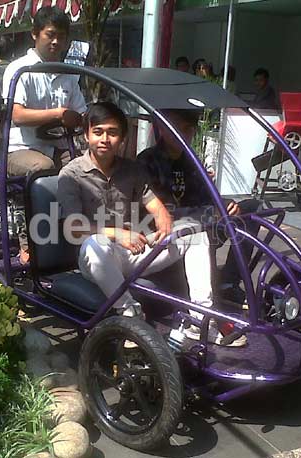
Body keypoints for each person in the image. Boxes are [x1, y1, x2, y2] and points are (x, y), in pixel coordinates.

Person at [58, 102, 246, 346]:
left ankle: (201, 320)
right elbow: (73, 228)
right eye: (98, 132)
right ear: (87, 135)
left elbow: (156, 206)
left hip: (136, 251)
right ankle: (130, 314)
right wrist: (117, 233)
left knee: (193, 232)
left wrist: (164, 220)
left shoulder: (132, 170)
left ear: (122, 138)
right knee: (95, 245)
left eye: (112, 133)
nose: (105, 139)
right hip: (99, 259)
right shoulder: (71, 174)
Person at [137, 109, 260, 305]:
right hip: (168, 231)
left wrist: (226, 205)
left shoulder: (192, 161)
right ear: (162, 129)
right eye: (175, 128)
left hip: (200, 222)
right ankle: (205, 293)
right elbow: (158, 211)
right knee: (203, 225)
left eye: (187, 129)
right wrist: (210, 213)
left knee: (253, 208)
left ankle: (229, 282)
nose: (181, 134)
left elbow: (208, 196)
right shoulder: (147, 161)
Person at [1, 6, 86, 263]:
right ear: (35, 34)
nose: (56, 42)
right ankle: (29, 243)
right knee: (44, 168)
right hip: (20, 149)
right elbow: (17, 115)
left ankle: (80, 237)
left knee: (86, 170)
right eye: (50, 34)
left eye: (61, 36)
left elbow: (82, 113)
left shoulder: (68, 75)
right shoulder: (20, 69)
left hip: (57, 147)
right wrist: (59, 114)